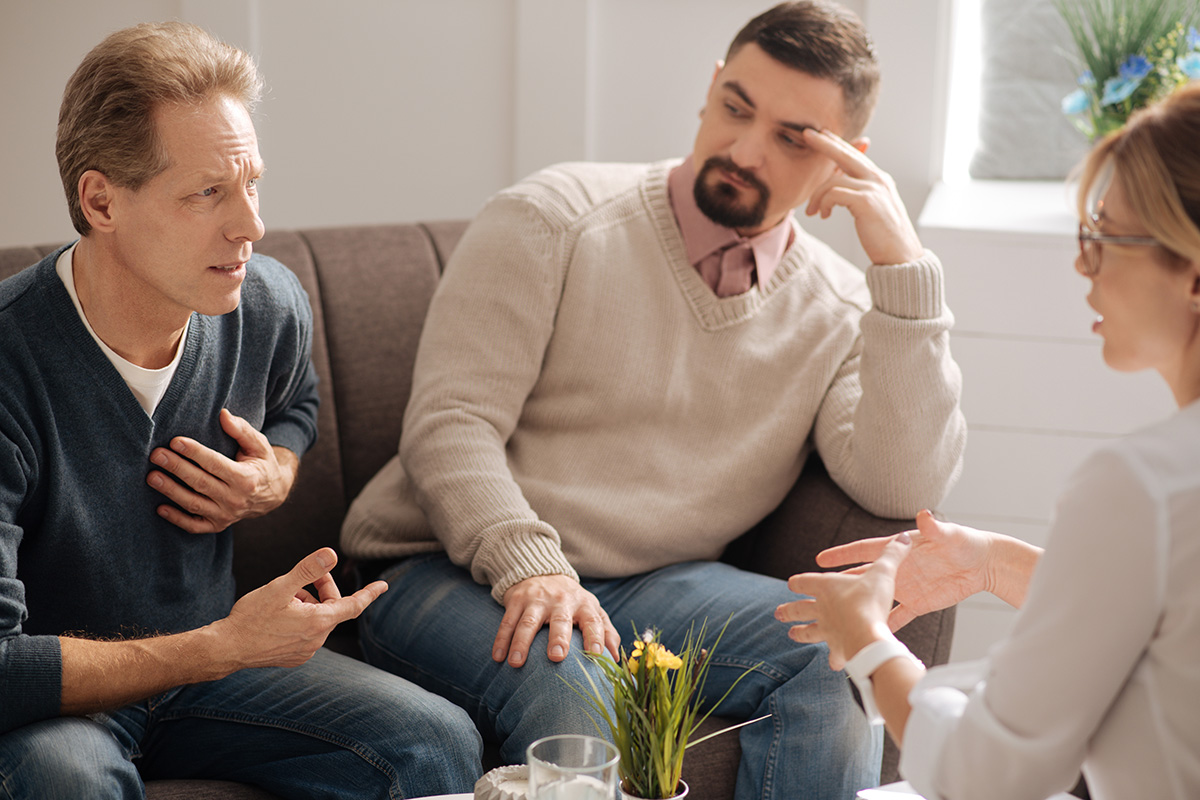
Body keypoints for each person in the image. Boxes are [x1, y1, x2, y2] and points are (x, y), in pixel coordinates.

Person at [343, 2, 965, 797]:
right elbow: (449, 426)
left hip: (655, 584)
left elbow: (900, 487)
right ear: (710, 89)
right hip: (439, 567)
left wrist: (902, 273)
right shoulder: (553, 217)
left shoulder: (843, 311)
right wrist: (534, 569)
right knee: (579, 691)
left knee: (831, 653)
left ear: (846, 162)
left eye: (792, 137)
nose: (744, 149)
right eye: (736, 107)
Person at [0, 22, 481, 800]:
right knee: (67, 782)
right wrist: (221, 646)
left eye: (251, 183)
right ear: (101, 201)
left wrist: (275, 477)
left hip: (210, 676)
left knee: (435, 739)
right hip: (61, 703)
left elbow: (300, 404)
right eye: (208, 193)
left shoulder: (265, 303)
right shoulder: (11, 363)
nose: (250, 225)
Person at [777, 83, 1200, 800]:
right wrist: (997, 563)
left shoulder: (1140, 485)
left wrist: (869, 645)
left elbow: (987, 775)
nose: (1081, 265)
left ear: (1192, 272)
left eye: (1104, 237)